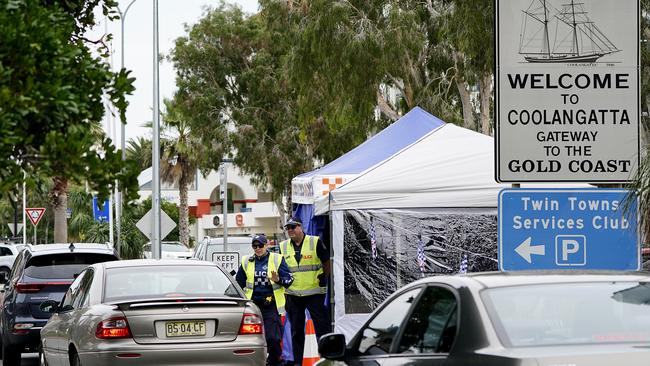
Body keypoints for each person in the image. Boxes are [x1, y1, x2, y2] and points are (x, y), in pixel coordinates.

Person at [280, 216, 331, 366]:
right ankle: (297, 363)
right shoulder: (283, 246)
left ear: (301, 227)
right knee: (296, 332)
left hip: (314, 294)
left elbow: (327, 261)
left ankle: (327, 359)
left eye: (293, 227)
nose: (290, 230)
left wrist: (324, 276)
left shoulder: (314, 242)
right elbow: (280, 267)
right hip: (293, 295)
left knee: (322, 329)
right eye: (288, 228)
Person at [236, 234, 293, 366]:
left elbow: (289, 280)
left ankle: (275, 361)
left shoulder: (277, 259)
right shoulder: (246, 261)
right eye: (255, 246)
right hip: (253, 306)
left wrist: (278, 279)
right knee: (252, 338)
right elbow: (238, 282)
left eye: (260, 245)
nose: (257, 248)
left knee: (272, 338)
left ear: (266, 245)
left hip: (271, 305)